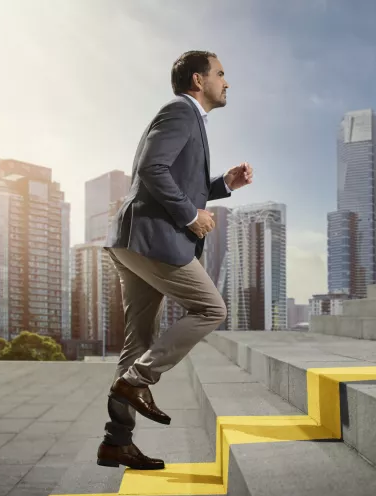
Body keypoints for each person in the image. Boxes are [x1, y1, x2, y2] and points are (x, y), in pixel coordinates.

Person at [96, 50, 253, 470]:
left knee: (138, 341)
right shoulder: (181, 112)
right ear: (199, 80)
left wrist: (223, 184)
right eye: (221, 73)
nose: (227, 82)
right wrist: (190, 215)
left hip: (134, 241)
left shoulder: (188, 120)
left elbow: (178, 178)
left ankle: (117, 441)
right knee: (211, 307)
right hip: (153, 239)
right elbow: (152, 168)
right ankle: (138, 381)